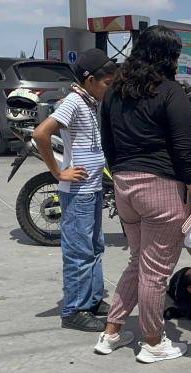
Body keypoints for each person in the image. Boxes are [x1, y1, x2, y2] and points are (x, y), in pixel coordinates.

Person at [96, 26, 191, 364]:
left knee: (136, 260)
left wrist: (122, 176)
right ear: (168, 57)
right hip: (160, 187)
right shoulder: (171, 92)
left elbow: (108, 142)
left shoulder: (115, 91)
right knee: (156, 271)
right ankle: (153, 342)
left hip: (124, 184)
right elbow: (185, 151)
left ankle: (112, 332)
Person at [32, 49, 118, 332]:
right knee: (79, 252)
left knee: (94, 247)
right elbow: (41, 133)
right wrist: (58, 173)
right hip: (78, 193)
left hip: (91, 190)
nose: (109, 87)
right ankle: (73, 310)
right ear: (90, 79)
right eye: (106, 82)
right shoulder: (73, 102)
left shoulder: (88, 101)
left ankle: (92, 300)